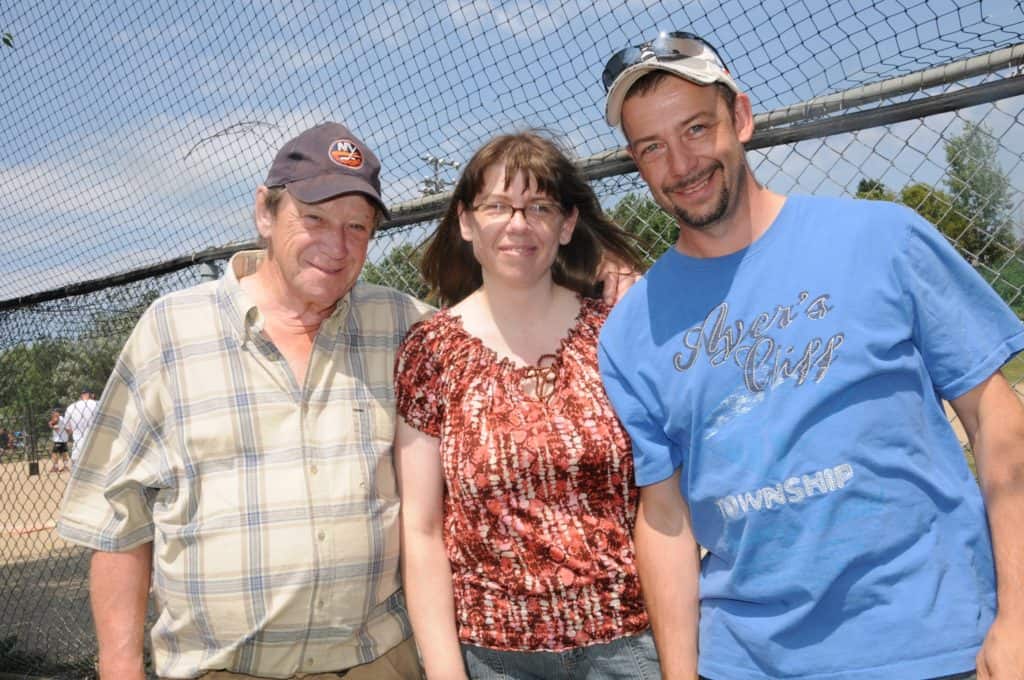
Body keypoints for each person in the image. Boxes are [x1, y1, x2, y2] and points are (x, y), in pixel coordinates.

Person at [597, 31, 1024, 680]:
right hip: (746, 662)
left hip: (934, 647)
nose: (680, 164)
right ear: (635, 161)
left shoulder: (885, 239)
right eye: (652, 147)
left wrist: (1018, 619)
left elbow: (995, 418)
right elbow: (664, 518)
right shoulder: (630, 332)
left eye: (694, 128)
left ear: (739, 117)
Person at [58, 123, 432, 680]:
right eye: (315, 218)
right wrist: (119, 666)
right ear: (265, 212)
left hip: (378, 663)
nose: (337, 245)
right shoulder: (172, 330)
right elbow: (119, 519)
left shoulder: (406, 326)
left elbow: (504, 333)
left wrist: (596, 277)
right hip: (220, 668)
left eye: (357, 226)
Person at [394, 131, 659, 680]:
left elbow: (663, 502)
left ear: (566, 225)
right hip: (494, 659)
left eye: (539, 206)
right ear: (467, 222)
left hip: (627, 647)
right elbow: (420, 530)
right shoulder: (432, 351)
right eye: (497, 205)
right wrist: (446, 672)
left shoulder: (615, 330)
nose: (518, 224)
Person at [63, 388, 98, 465]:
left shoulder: (71, 407)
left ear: (81, 396)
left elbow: (67, 429)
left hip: (78, 448)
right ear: (92, 395)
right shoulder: (98, 404)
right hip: (96, 447)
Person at [48, 407, 70, 472]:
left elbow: (54, 426)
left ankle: (56, 467)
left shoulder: (58, 418)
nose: (53, 413)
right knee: (64, 453)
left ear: (58, 413)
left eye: (55, 412)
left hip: (58, 439)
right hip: (64, 439)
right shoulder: (63, 419)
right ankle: (65, 466)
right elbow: (67, 429)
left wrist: (51, 425)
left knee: (54, 453)